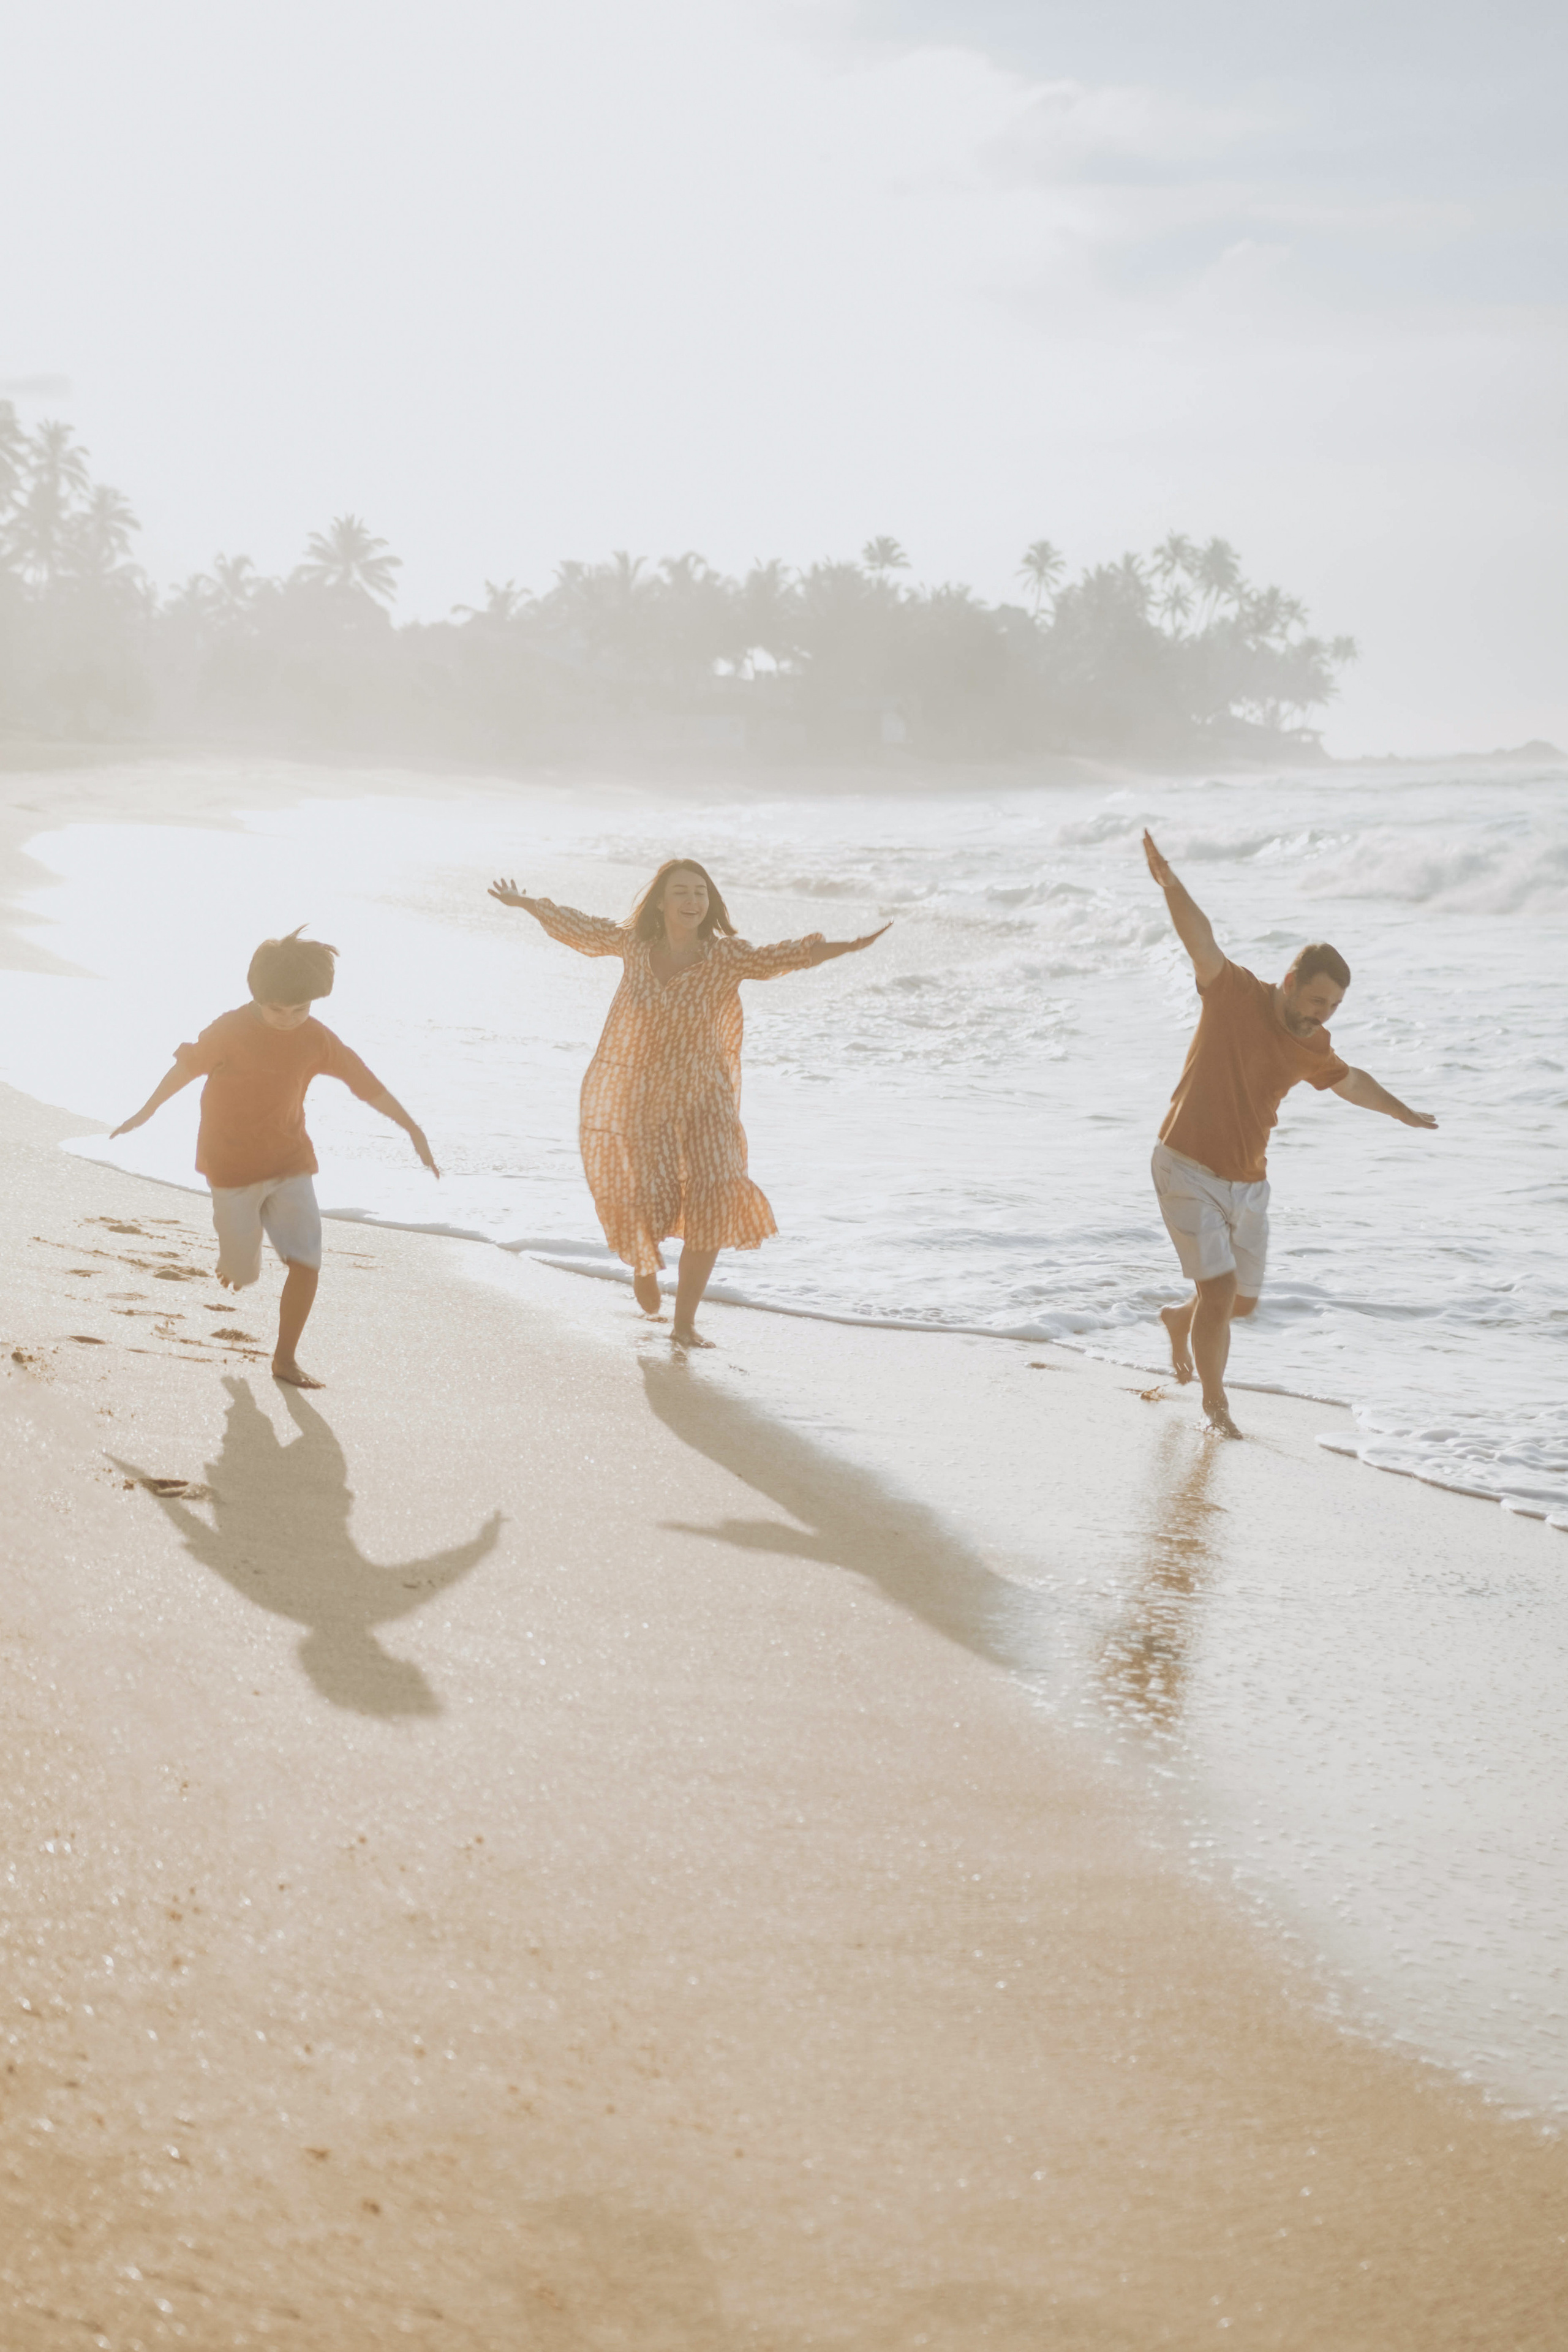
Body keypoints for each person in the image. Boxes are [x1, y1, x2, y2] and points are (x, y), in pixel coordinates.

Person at [489, 860, 888, 1348]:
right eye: (682, 891)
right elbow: (582, 928)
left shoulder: (726, 958)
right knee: (647, 1198)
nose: (693, 901)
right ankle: (643, 1259)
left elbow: (782, 956)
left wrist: (846, 946)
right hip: (643, 1097)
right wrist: (528, 904)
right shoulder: (633, 945)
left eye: (701, 892)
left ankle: (684, 1324)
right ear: (661, 900)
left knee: (715, 1195)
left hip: (708, 1100)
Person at [1142, 830, 1436, 1438]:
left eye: (1332, 1008)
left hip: (1248, 1182)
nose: (1321, 1014)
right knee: (1220, 1292)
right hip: (1186, 1164)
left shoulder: (1312, 1045)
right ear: (1291, 978)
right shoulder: (1233, 994)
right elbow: (1201, 942)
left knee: (1240, 1301)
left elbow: (1351, 1082)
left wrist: (1400, 1111)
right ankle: (1215, 1407)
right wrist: (1171, 885)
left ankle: (1179, 1321)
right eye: (1317, 999)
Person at [110, 927, 438, 1389]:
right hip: (231, 1167)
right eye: (277, 1009)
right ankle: (236, 1261)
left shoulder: (317, 1037)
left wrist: (412, 1128)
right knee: (243, 1272)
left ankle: (285, 1359)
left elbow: (364, 1081)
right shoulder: (229, 1030)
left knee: (307, 1260)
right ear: (257, 996)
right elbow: (184, 1070)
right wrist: (145, 1111)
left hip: (290, 1161)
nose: (288, 1019)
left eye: (300, 1009)